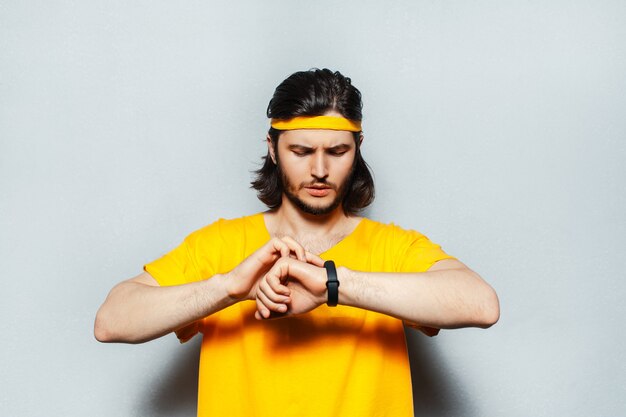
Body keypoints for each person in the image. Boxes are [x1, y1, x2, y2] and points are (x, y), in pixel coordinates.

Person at [94, 68, 500, 417]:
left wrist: (332, 285)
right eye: (301, 151)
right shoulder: (219, 243)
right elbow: (111, 322)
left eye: (337, 151)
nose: (320, 169)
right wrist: (230, 288)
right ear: (272, 149)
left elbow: (481, 305)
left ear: (357, 150)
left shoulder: (393, 247)